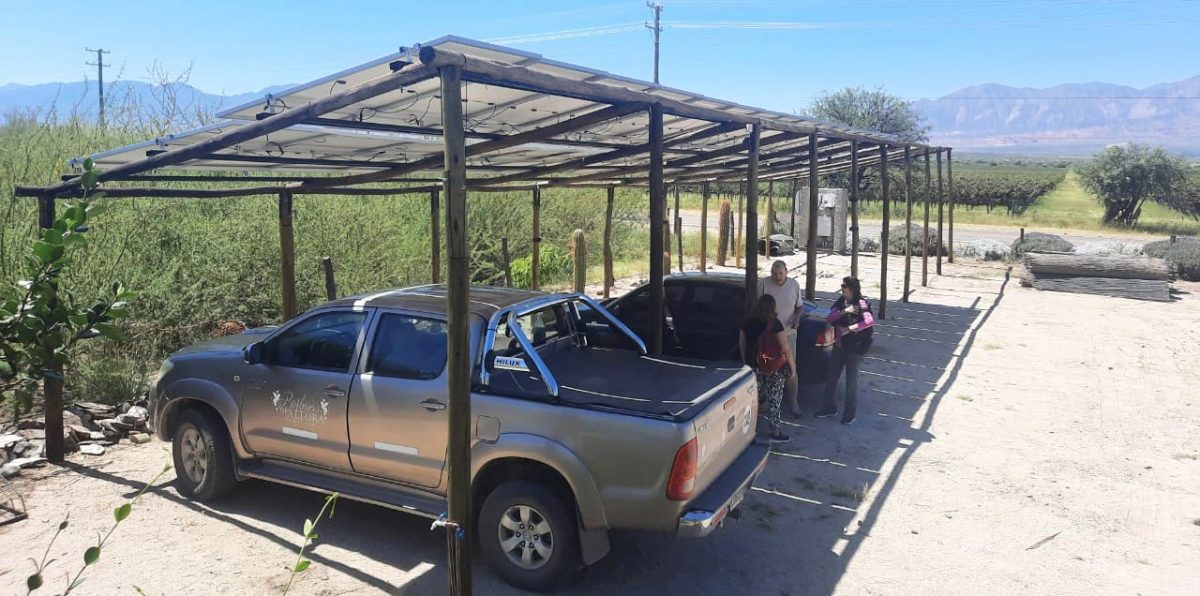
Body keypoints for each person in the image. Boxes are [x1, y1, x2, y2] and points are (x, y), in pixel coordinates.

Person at [816, 276, 875, 425]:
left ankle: (849, 414)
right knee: (831, 377)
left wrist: (849, 329)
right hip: (840, 347)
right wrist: (844, 312)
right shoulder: (841, 302)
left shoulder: (861, 303)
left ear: (852, 289)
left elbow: (869, 321)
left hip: (854, 350)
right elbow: (830, 318)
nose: (842, 289)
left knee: (851, 382)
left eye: (845, 287)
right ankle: (829, 407)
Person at [739, 294, 794, 443]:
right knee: (774, 399)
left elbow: (742, 343)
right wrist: (792, 368)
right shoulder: (774, 324)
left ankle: (749, 431)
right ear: (773, 307)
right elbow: (785, 347)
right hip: (773, 366)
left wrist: (745, 362)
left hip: (753, 367)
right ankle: (774, 431)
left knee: (752, 399)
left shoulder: (748, 322)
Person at [758, 260, 803, 418]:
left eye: (780, 273)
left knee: (791, 368)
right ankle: (764, 402)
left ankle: (794, 403)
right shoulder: (764, 284)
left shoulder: (794, 285)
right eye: (774, 273)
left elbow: (799, 307)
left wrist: (797, 319)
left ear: (786, 271)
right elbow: (758, 306)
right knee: (765, 366)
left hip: (788, 333)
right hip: (768, 334)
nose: (777, 277)